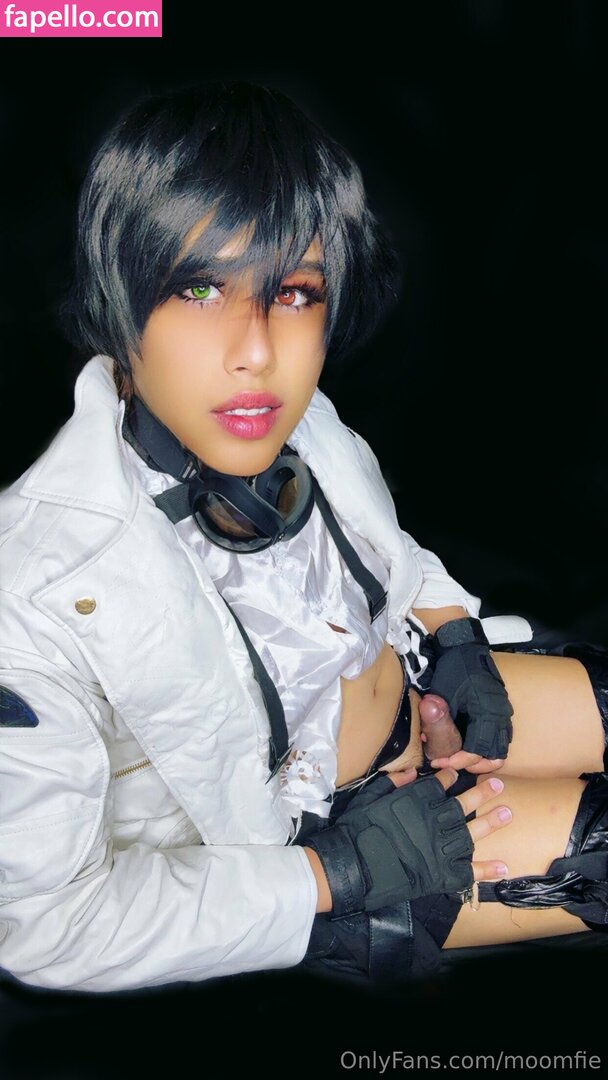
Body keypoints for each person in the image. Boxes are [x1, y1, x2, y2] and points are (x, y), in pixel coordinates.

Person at [0, 79, 606, 993]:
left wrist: (452, 636)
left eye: (291, 292)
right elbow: (45, 927)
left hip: (415, 707)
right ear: (122, 296)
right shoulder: (29, 592)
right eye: (199, 288)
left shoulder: (296, 419)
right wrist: (335, 875)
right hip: (340, 838)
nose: (257, 351)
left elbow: (380, 550)